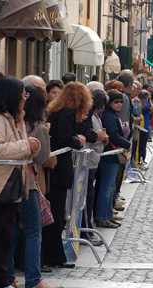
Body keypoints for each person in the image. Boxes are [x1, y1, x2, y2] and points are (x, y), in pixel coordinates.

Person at [0, 76, 40, 288]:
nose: (25, 100)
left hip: (12, 184)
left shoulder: (15, 118)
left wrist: (31, 147)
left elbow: (20, 149)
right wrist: (26, 144)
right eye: (23, 96)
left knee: (4, 236)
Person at [6, 83, 56, 288]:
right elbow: (44, 158)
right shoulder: (38, 126)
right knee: (34, 230)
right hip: (28, 182)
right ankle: (34, 279)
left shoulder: (13, 121)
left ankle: (8, 276)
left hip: (9, 181)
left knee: (11, 232)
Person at [42, 82, 89, 269]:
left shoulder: (57, 111)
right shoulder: (68, 112)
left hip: (55, 167)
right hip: (59, 167)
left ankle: (53, 254)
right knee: (57, 213)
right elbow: (64, 138)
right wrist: (78, 140)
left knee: (56, 212)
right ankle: (53, 255)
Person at [96, 90, 131, 228]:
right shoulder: (109, 116)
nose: (119, 104)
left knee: (110, 188)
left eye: (121, 101)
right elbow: (114, 135)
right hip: (109, 156)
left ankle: (107, 215)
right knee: (107, 188)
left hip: (111, 155)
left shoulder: (112, 114)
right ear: (109, 102)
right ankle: (102, 217)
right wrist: (127, 144)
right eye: (116, 101)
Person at [83, 89, 109, 241]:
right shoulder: (89, 117)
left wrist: (101, 137)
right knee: (86, 197)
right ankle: (86, 231)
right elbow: (90, 134)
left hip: (93, 160)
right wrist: (99, 136)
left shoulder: (95, 116)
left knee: (89, 195)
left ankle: (87, 229)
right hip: (88, 161)